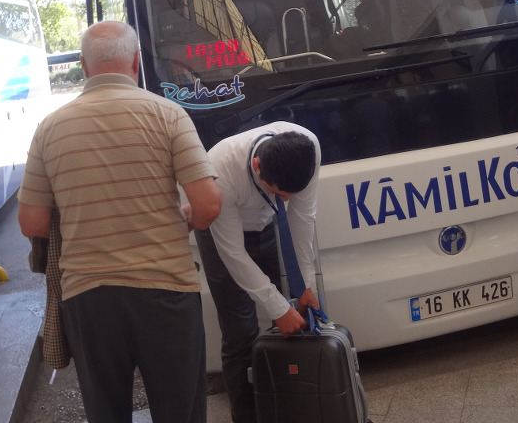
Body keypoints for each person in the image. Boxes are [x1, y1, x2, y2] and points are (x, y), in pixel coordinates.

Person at [17, 21, 222, 423]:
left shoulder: (50, 128)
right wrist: (182, 218)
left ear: (83, 65)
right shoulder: (169, 114)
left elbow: (32, 223)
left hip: (89, 298)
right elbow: (208, 204)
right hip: (166, 291)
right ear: (136, 61)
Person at [192, 122, 321, 423]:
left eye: (291, 194)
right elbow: (233, 254)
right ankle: (247, 417)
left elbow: (302, 218)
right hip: (221, 235)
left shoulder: (308, 147)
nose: (286, 199)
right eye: (279, 192)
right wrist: (278, 307)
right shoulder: (220, 170)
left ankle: (287, 410)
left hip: (267, 225)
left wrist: (304, 284)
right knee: (240, 330)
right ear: (257, 165)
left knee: (293, 319)